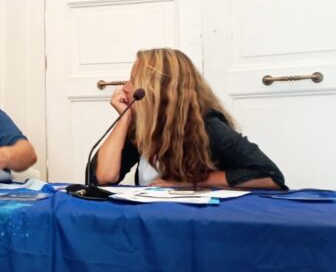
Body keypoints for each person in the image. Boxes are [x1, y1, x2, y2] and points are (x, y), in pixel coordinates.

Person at [92, 48, 286, 190]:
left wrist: (190, 182)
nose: (125, 87)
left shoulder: (207, 125)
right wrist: (125, 118)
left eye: (134, 80)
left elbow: (269, 176)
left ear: (159, 88)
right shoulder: (143, 126)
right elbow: (103, 178)